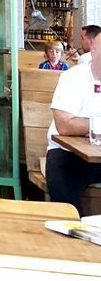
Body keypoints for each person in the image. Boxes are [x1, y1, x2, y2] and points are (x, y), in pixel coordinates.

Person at [46, 27, 101, 209]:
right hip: (67, 153)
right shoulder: (73, 77)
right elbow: (64, 126)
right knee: (64, 200)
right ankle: (71, 235)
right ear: (93, 51)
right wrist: (95, 125)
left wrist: (85, 124)